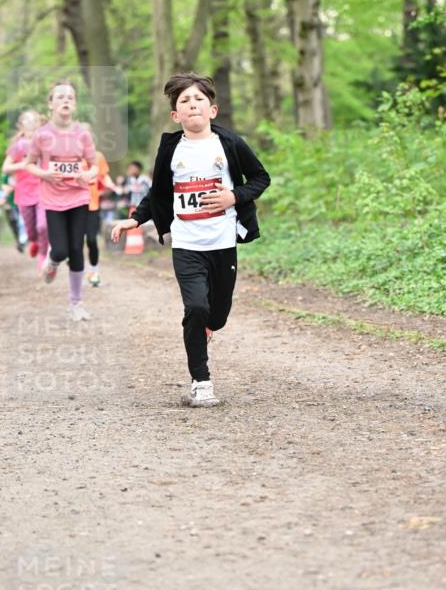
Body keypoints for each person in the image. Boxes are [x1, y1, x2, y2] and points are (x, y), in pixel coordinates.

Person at [111, 72, 271, 406]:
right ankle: (201, 381)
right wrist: (136, 220)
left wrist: (233, 197)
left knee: (218, 315)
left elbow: (260, 178)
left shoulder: (229, 143)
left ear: (212, 110)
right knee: (196, 307)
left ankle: (207, 328)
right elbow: (158, 195)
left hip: (223, 240)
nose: (192, 104)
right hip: (186, 243)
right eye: (184, 101)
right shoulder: (171, 148)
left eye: (199, 99)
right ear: (176, 115)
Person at [25, 80, 98, 321]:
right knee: (61, 249)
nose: (65, 100)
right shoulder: (42, 136)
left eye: (70, 97)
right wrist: (44, 174)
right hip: (53, 199)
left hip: (78, 196)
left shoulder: (82, 135)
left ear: (75, 105)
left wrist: (88, 174)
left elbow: (94, 165)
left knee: (77, 249)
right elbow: (28, 165)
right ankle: (53, 260)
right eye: (60, 97)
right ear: (51, 104)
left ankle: (76, 304)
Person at [2, 110, 48, 270]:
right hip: (23, 193)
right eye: (28, 122)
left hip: (43, 191)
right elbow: (5, 168)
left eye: (35, 122)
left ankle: (43, 255)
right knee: (30, 229)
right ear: (21, 126)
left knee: (43, 226)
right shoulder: (18, 146)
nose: (32, 125)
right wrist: (23, 164)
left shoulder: (45, 143)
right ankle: (33, 241)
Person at [82, 127, 116, 287]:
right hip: (71, 205)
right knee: (74, 243)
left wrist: (110, 184)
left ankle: (94, 271)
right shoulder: (68, 157)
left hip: (91, 205)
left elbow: (104, 176)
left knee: (91, 240)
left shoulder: (97, 156)